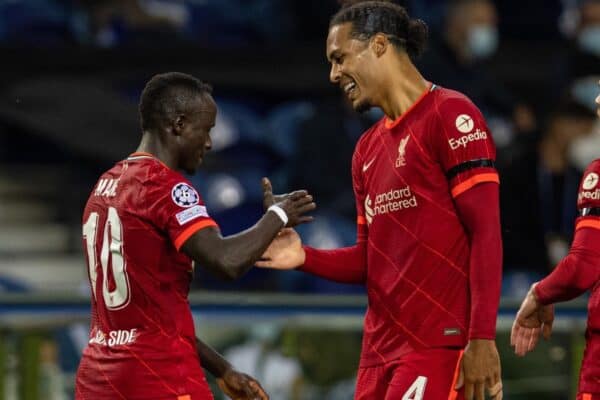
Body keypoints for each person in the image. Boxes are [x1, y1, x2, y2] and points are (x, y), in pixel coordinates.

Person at [257, 2, 503, 399]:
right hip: (378, 354)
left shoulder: (452, 115)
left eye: (339, 59)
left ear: (380, 45)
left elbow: (486, 233)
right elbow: (373, 260)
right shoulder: (365, 150)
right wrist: (306, 257)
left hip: (435, 346)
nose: (334, 75)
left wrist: (481, 340)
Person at [75, 72, 316, 399]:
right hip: (158, 376)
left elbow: (149, 317)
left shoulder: (105, 186)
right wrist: (278, 215)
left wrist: (223, 369)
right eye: (205, 129)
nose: (209, 143)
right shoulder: (165, 187)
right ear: (177, 124)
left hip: (99, 379)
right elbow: (225, 261)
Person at [511, 84, 600, 400]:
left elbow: (583, 267)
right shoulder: (521, 170)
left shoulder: (595, 174)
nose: (598, 102)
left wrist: (540, 292)